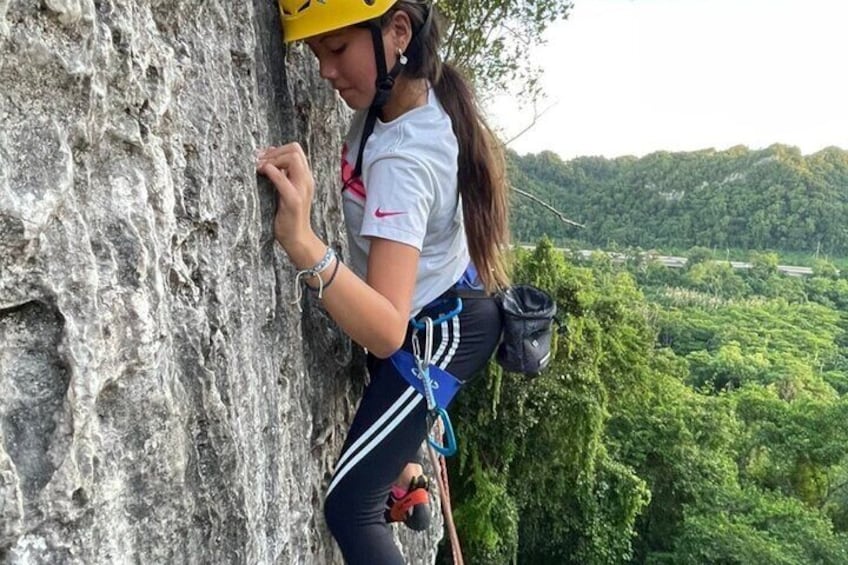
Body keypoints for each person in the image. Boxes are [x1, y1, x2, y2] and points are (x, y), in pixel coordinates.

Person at [256, 1, 510, 562]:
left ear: (398, 32)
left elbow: (388, 331)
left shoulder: (404, 158)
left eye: (339, 48)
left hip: (437, 332)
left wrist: (302, 241)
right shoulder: (408, 96)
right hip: (440, 301)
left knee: (350, 507)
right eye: (316, 51)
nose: (325, 70)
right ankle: (410, 474)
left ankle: (401, 469)